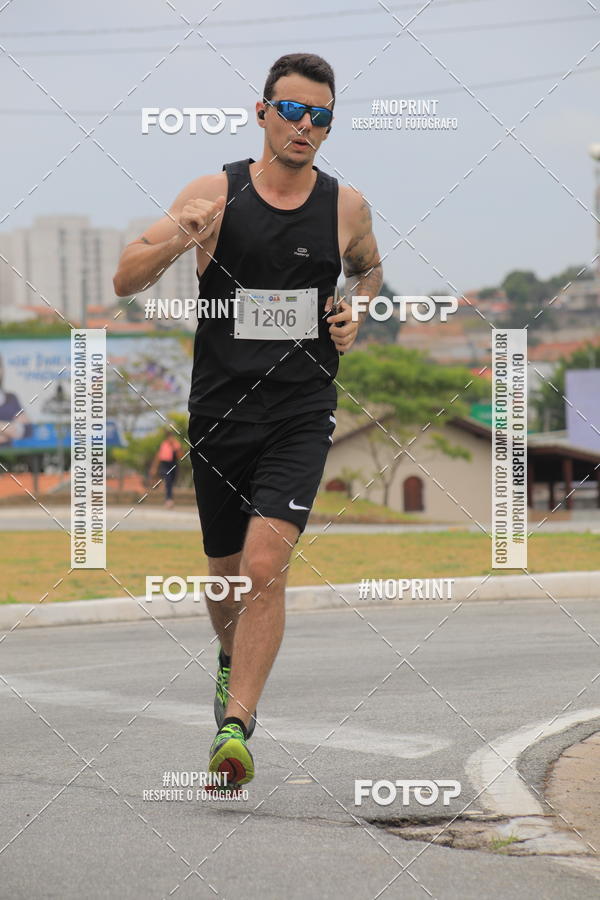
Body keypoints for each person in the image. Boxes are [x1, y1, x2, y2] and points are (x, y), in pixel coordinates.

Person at [113, 52, 383, 787]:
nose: (305, 126)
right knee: (225, 571)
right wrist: (183, 237)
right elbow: (124, 278)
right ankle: (229, 657)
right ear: (262, 113)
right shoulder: (214, 191)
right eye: (292, 110)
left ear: (330, 126)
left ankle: (237, 726)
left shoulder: (345, 207)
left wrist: (354, 306)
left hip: (301, 409)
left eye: (320, 115)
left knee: (267, 566)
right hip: (219, 410)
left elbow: (368, 265)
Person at [151, 430, 182, 508]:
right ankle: (169, 499)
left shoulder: (176, 444)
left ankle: (169, 498)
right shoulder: (163, 445)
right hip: (165, 465)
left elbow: (180, 456)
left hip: (173, 464)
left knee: (171, 482)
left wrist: (175, 448)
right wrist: (154, 468)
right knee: (168, 480)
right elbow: (158, 456)